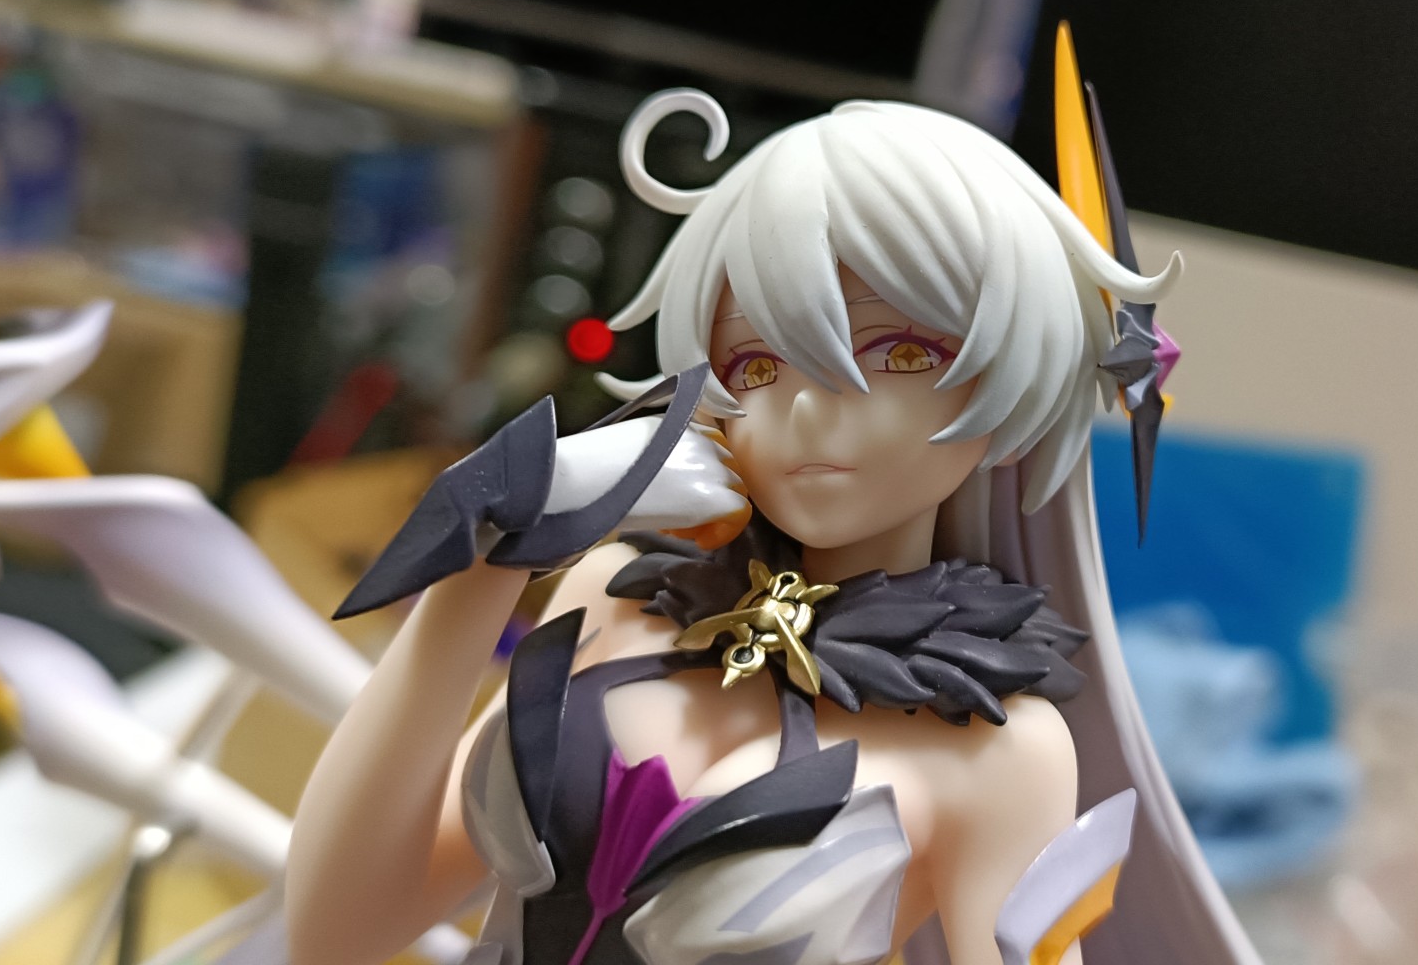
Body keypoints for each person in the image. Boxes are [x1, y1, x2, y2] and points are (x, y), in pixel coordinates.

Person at [285, 77, 1261, 964]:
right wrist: (487, 553)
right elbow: (339, 930)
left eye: (901, 354)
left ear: (1016, 377)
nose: (805, 408)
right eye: (755, 364)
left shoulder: (1000, 749)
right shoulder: (611, 598)